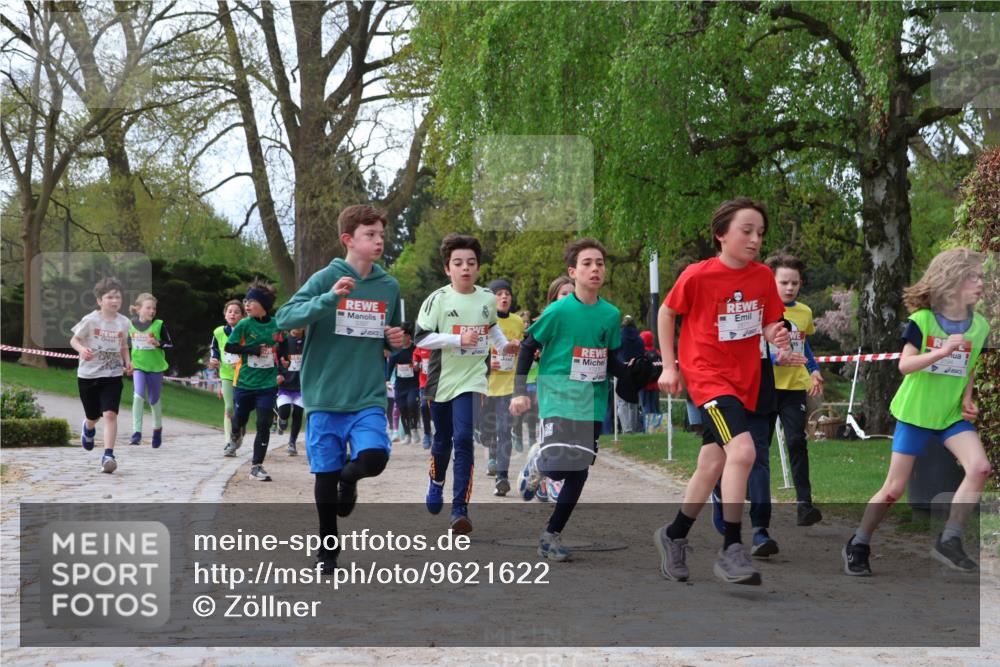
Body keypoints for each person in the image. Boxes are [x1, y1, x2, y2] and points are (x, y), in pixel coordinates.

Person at [654, 197, 789, 585]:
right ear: (721, 235)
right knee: (743, 452)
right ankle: (732, 547)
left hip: (744, 380)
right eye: (746, 231)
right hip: (706, 376)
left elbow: (767, 323)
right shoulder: (698, 275)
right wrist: (669, 366)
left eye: (760, 233)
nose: (755, 239)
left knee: (712, 465)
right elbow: (666, 312)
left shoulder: (763, 277)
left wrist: (775, 335)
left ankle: (674, 534)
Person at [843, 248, 990, 576]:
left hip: (950, 416)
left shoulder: (979, 326)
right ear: (952, 281)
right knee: (894, 489)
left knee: (980, 468)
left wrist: (967, 398)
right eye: (973, 277)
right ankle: (859, 542)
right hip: (915, 414)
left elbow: (969, 367)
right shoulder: (922, 321)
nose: (981, 283)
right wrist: (942, 351)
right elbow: (905, 365)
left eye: (981, 277)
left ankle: (949, 539)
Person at [275, 204, 404, 573]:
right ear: (348, 239)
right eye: (370, 235)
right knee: (324, 475)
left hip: (367, 393)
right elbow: (284, 318)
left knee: (374, 459)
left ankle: (349, 479)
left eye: (381, 234)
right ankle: (327, 551)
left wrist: (395, 340)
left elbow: (391, 337)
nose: (378, 241)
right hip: (324, 394)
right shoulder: (325, 278)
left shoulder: (389, 286)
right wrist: (330, 298)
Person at [511, 239, 658, 561]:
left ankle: (550, 535)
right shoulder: (558, 311)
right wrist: (519, 391)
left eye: (600, 263)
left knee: (578, 471)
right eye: (587, 263)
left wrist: (632, 371)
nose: (595, 269)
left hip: (592, 398)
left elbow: (609, 359)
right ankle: (538, 463)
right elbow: (527, 346)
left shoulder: (610, 314)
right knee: (557, 465)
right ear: (573, 272)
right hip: (557, 394)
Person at [415, 233, 518, 534]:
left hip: (472, 379)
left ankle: (460, 509)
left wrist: (504, 346)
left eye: (471, 263)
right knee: (442, 440)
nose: (465, 268)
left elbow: (491, 327)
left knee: (462, 439)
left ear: (478, 267)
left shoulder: (487, 298)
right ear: (447, 268)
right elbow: (422, 338)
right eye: (458, 263)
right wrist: (457, 339)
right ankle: (436, 481)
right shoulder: (438, 299)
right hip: (441, 380)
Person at [764, 254, 825, 526]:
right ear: (772, 281)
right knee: (759, 445)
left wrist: (813, 369)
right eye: (784, 282)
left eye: (795, 283)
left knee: (797, 442)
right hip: (765, 386)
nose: (790, 288)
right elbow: (751, 347)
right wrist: (775, 358)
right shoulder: (762, 309)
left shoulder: (804, 312)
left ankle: (804, 505)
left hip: (793, 388)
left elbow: (804, 344)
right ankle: (752, 495)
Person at [69, 277, 132, 474]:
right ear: (99, 300)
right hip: (88, 375)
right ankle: (88, 428)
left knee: (110, 414)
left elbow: (123, 345)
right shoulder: (91, 320)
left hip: (112, 375)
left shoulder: (124, 322)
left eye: (118, 297)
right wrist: (82, 350)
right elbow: (74, 340)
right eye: (110, 297)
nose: (115, 301)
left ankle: (108, 455)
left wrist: (128, 361)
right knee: (93, 415)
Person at [225, 279, 282, 481]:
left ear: (263, 305)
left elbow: (284, 346)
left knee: (263, 423)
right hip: (245, 383)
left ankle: (257, 466)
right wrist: (252, 349)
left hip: (267, 384)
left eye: (252, 301)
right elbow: (229, 347)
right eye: (246, 301)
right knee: (239, 418)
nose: (247, 305)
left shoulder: (276, 325)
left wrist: (283, 364)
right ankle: (235, 434)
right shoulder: (244, 324)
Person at [481, 278, 526, 496]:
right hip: (485, 386)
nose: (504, 297)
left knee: (504, 430)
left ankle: (502, 477)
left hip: (509, 386)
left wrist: (520, 348)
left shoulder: (517, 322)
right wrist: (489, 363)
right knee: (485, 432)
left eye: (507, 293)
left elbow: (523, 351)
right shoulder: (483, 321)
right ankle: (491, 450)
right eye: (498, 294)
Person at [127, 293, 172, 448]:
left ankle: (157, 429)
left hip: (156, 367)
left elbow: (169, 343)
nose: (152, 311)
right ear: (138, 309)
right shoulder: (130, 325)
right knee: (138, 396)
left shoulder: (159, 325)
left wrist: (158, 343)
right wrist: (127, 363)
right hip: (139, 366)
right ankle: (136, 433)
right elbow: (126, 345)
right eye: (148, 308)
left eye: (154, 308)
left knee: (154, 400)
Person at [209, 300, 246, 450]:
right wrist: (214, 358)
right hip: (226, 374)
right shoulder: (218, 332)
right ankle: (229, 442)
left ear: (242, 316)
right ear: (225, 314)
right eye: (230, 311)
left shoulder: (245, 331)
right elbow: (214, 348)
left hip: (243, 375)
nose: (233, 314)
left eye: (236, 312)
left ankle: (239, 429)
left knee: (240, 409)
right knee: (229, 407)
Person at [386, 324, 421, 445]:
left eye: (404, 335)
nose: (401, 338)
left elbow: (423, 363)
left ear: (409, 336)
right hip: (400, 385)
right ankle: (407, 434)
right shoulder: (396, 350)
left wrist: (418, 366)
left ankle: (414, 429)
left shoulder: (416, 349)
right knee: (402, 408)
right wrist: (387, 380)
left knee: (412, 404)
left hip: (414, 384)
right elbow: (389, 367)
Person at [277, 327, 306, 456]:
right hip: (285, 384)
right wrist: (278, 373)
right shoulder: (283, 341)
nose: (298, 326)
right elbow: (275, 359)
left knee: (298, 414)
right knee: (285, 412)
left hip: (301, 385)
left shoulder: (308, 341)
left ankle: (292, 442)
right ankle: (282, 419)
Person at [615, 315, 645, 433]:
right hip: (636, 371)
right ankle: (633, 427)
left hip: (622, 369)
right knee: (633, 400)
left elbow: (615, 351)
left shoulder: (619, 336)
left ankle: (626, 428)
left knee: (622, 400)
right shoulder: (640, 339)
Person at [638, 330, 661, 431]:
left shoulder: (641, 352)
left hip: (644, 384)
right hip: (655, 384)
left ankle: (648, 428)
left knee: (645, 406)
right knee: (654, 407)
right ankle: (656, 428)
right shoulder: (657, 352)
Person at [412, 344, 434, 448]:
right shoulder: (421, 346)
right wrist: (415, 363)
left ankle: (438, 433)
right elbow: (415, 359)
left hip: (439, 382)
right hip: (424, 383)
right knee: (424, 407)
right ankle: (427, 434)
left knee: (437, 408)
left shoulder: (439, 344)